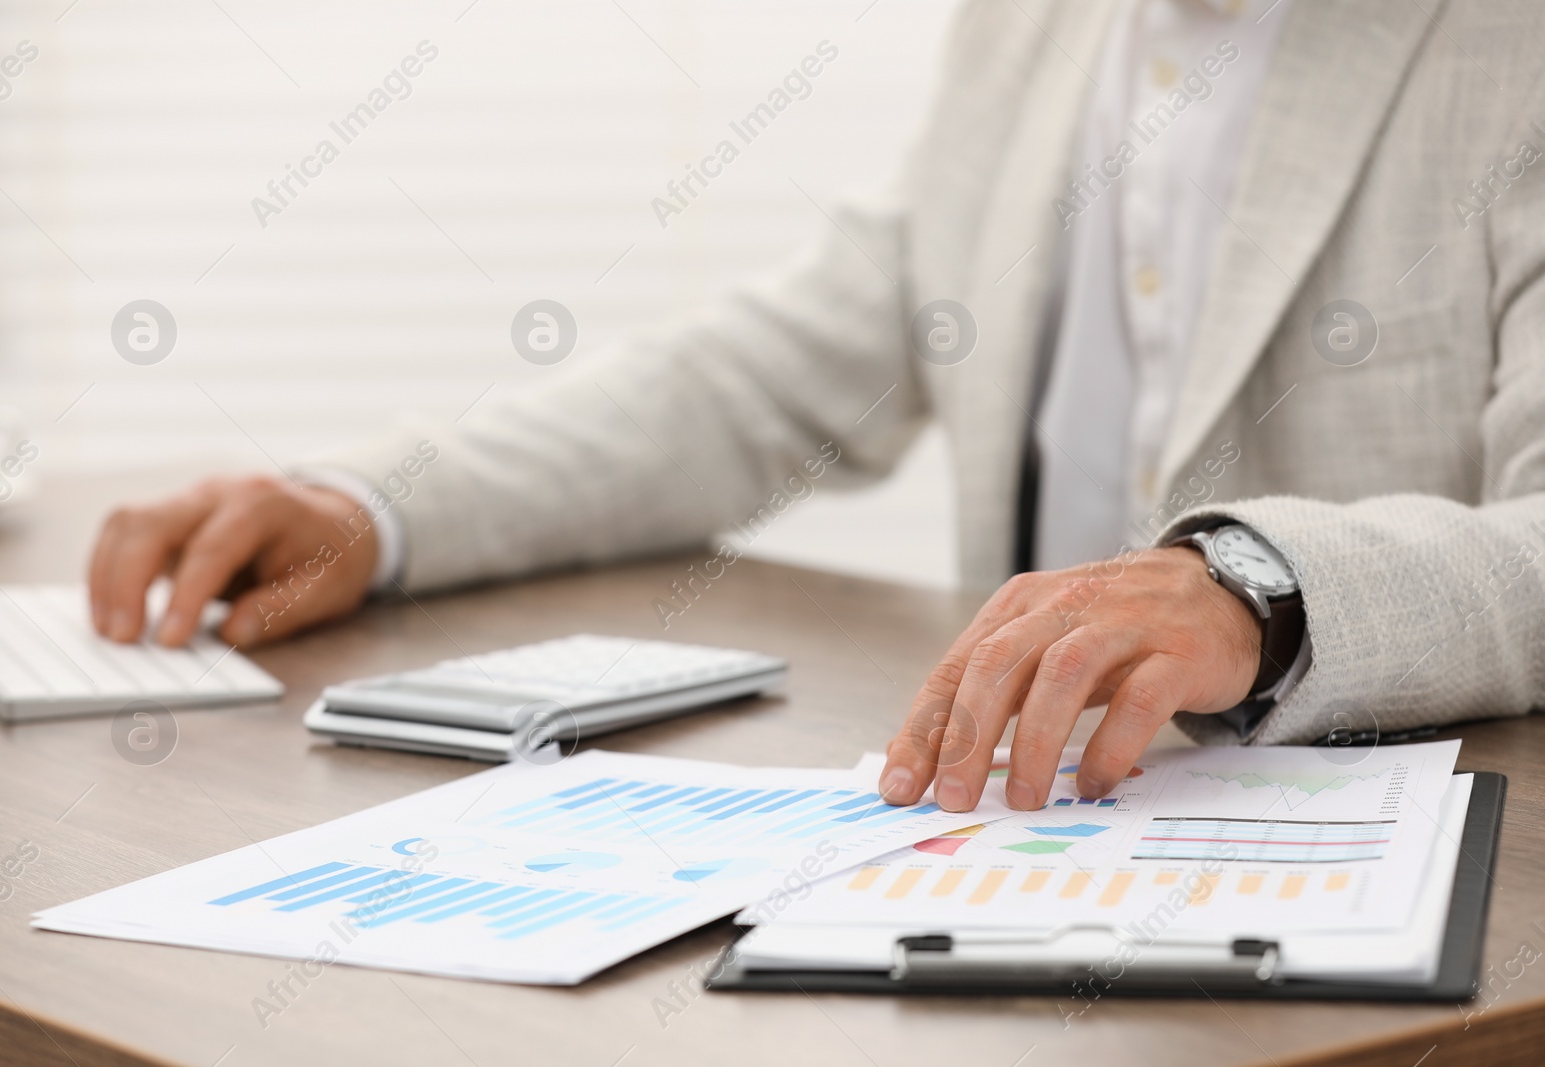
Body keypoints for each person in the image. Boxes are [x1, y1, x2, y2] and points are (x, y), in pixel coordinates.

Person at [86, 0, 1545, 815]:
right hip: (1019, 857)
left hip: (1380, 886)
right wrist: (376, 506)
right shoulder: (1028, 33)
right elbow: (759, 381)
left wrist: (1255, 589)